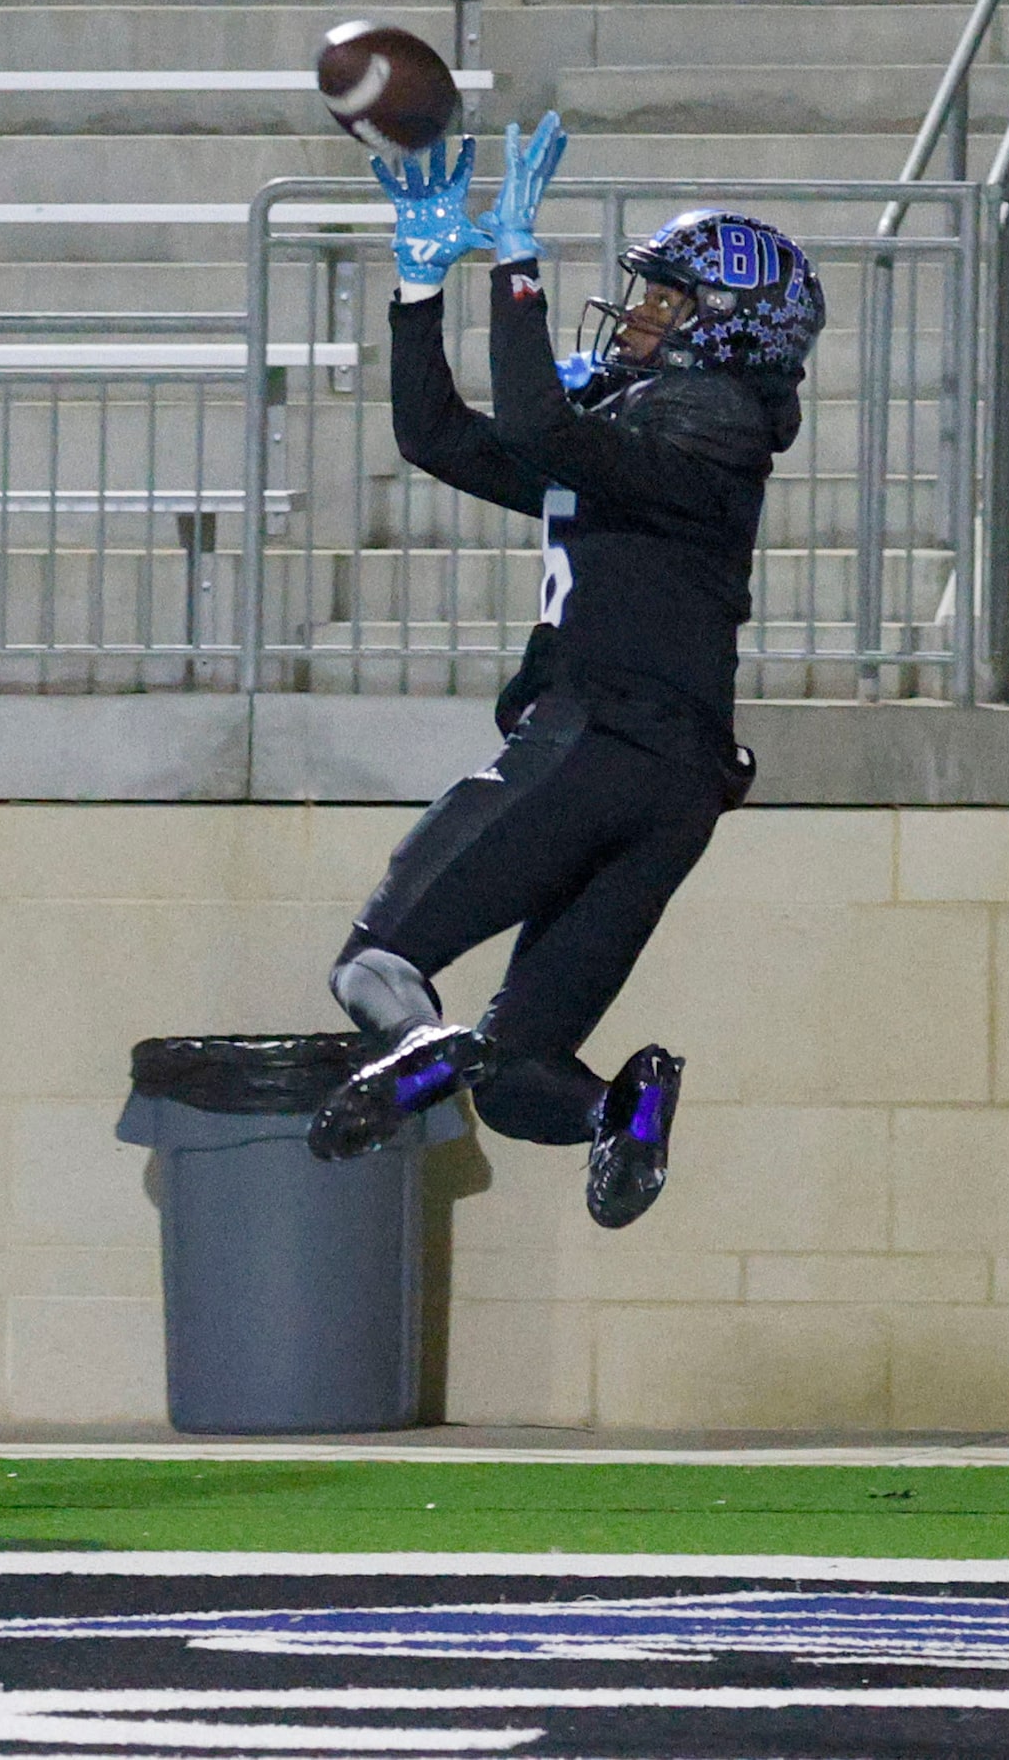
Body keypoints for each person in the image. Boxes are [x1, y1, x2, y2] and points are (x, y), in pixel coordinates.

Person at [307, 112, 822, 1230]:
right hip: (675, 792)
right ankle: (626, 1114)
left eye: (667, 300)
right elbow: (438, 437)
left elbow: (534, 413)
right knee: (522, 1072)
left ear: (726, 331)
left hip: (594, 741)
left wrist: (518, 265)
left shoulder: (708, 423)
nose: (639, 314)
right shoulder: (668, 437)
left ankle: (414, 1050)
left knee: (374, 965)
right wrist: (417, 289)